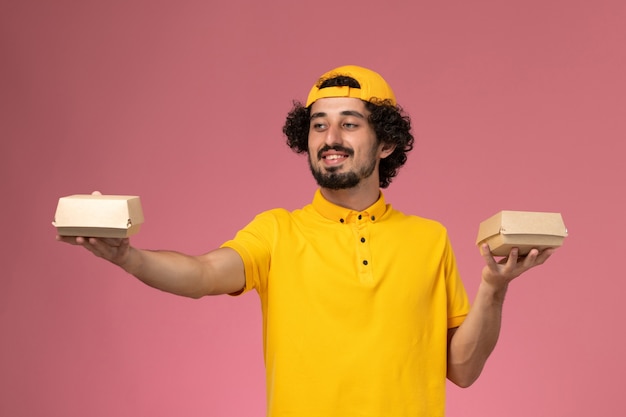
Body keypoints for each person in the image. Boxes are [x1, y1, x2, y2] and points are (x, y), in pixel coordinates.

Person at [57, 65, 554, 417]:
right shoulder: (277, 232)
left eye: (348, 123)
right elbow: (203, 275)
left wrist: (494, 285)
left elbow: (462, 370)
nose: (329, 136)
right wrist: (129, 257)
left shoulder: (429, 239)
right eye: (319, 125)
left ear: (386, 143)